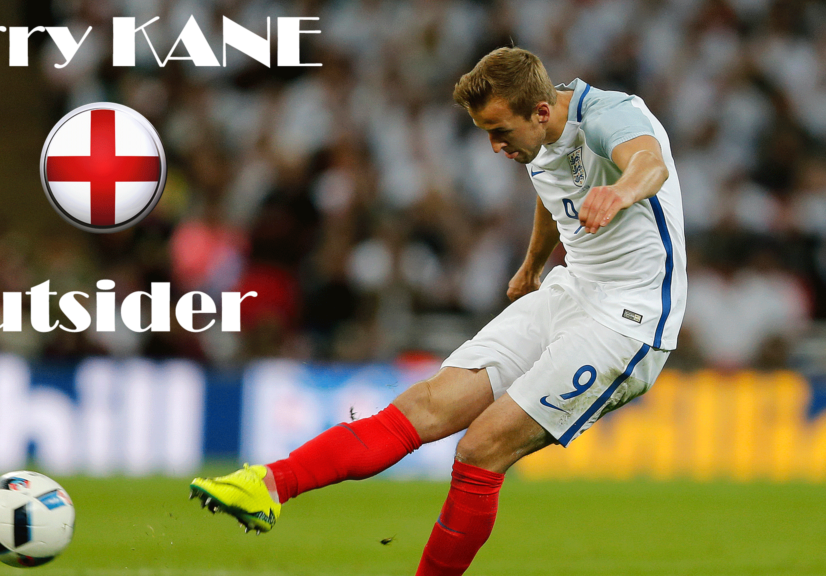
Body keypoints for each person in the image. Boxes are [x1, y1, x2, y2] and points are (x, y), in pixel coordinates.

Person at [189, 46, 687, 575]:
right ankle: (268, 485)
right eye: (484, 132)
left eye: (499, 131)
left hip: (627, 319)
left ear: (541, 111)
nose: (494, 146)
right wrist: (533, 264)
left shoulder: (612, 114)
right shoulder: (538, 136)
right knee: (423, 404)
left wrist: (619, 193)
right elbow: (552, 183)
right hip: (569, 293)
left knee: (480, 448)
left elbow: (648, 163)